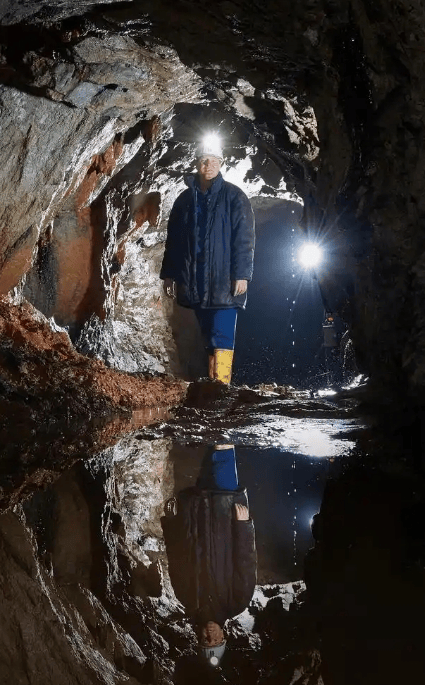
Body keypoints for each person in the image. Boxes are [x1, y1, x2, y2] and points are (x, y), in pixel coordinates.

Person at [160, 135, 256, 384]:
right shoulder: (184, 201)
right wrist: (169, 274)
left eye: (213, 160)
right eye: (204, 160)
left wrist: (242, 274)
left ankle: (221, 386)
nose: (208, 165)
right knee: (207, 337)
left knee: (222, 335)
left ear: (221, 163)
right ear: (197, 163)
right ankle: (213, 386)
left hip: (224, 282)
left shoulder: (235, 197)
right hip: (196, 283)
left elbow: (244, 239)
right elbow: (175, 241)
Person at [161, 444, 257, 667]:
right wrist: (243, 526)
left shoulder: (186, 598)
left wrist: (172, 522)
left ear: (198, 638)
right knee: (224, 446)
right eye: (215, 641)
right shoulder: (238, 601)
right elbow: (246, 560)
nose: (210, 636)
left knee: (210, 448)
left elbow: (176, 555)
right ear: (224, 637)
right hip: (226, 510)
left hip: (198, 508)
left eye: (206, 642)